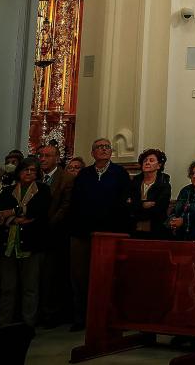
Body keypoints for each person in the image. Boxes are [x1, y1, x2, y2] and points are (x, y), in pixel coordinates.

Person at [68, 138, 129, 330]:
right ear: (92, 153)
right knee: (80, 276)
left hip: (109, 234)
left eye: (106, 147)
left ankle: (107, 318)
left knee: (107, 276)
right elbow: (75, 202)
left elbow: (124, 203)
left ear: (111, 152)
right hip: (83, 232)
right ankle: (81, 318)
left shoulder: (120, 174)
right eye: (99, 147)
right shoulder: (84, 175)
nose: (103, 150)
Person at [0, 157, 50, 326]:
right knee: (7, 287)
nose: (29, 173)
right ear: (19, 172)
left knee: (30, 287)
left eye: (33, 170)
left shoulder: (42, 190)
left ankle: (28, 324)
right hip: (9, 243)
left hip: (31, 243)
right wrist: (15, 219)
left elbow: (38, 211)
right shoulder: (8, 190)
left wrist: (11, 212)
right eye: (26, 170)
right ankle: (4, 323)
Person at [36, 143, 74, 327]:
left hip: (54, 233)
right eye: (40, 155)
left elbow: (66, 206)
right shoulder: (35, 177)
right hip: (34, 233)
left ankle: (50, 313)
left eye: (47, 156)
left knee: (51, 276)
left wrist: (47, 224)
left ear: (57, 158)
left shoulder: (66, 178)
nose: (42, 159)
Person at [128, 148, 171, 239]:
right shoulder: (134, 182)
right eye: (145, 160)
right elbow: (129, 205)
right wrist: (143, 205)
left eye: (151, 160)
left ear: (159, 165)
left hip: (156, 229)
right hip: (134, 228)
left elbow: (160, 208)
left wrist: (138, 206)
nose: (147, 163)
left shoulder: (164, 185)